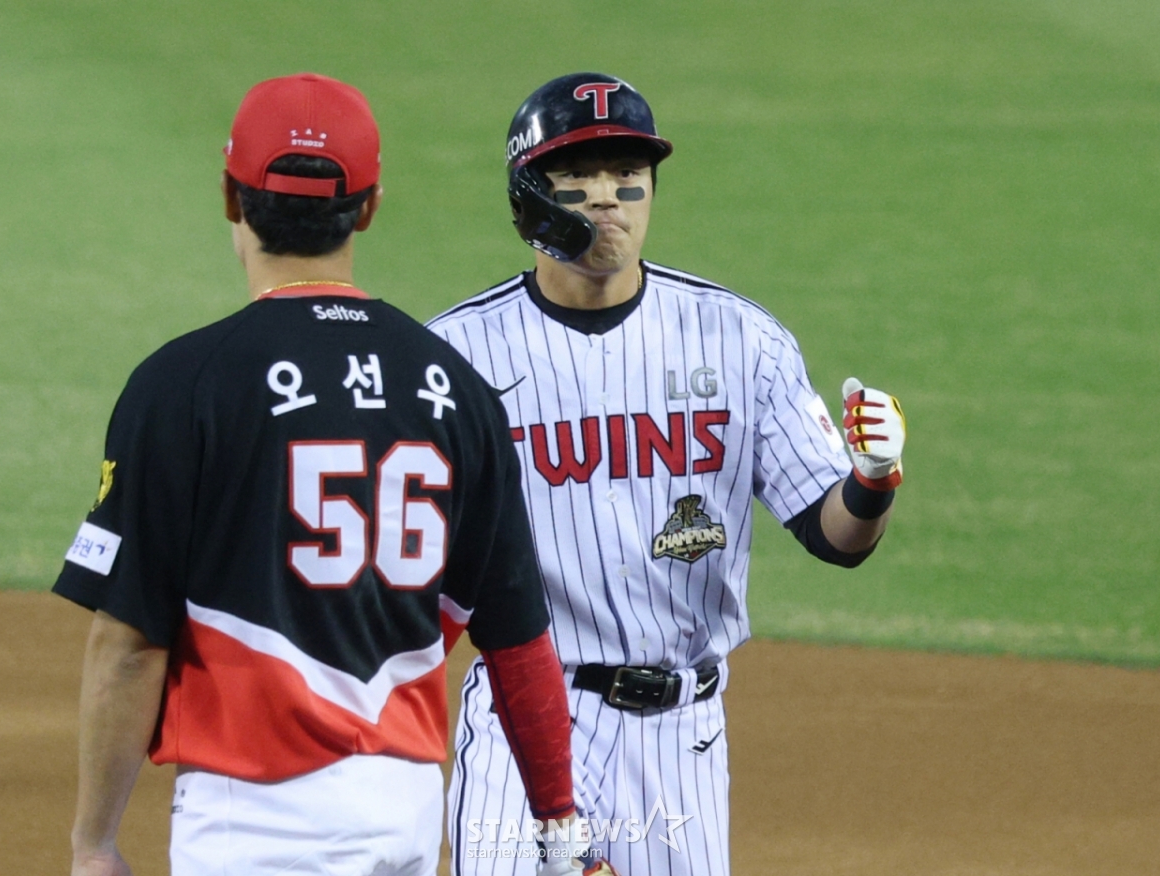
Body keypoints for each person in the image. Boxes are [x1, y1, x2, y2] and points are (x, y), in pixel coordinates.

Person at [54, 73, 605, 876]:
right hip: (405, 812)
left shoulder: (182, 384)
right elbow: (519, 638)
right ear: (369, 206)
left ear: (231, 197)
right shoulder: (457, 389)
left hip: (253, 819)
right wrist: (559, 830)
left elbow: (131, 644)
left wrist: (94, 843)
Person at [427, 72, 908, 876]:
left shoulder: (739, 340)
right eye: (577, 178)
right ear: (529, 199)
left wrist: (873, 479)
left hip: (681, 736)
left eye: (628, 177)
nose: (606, 198)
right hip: (525, 722)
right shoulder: (455, 357)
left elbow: (837, 539)